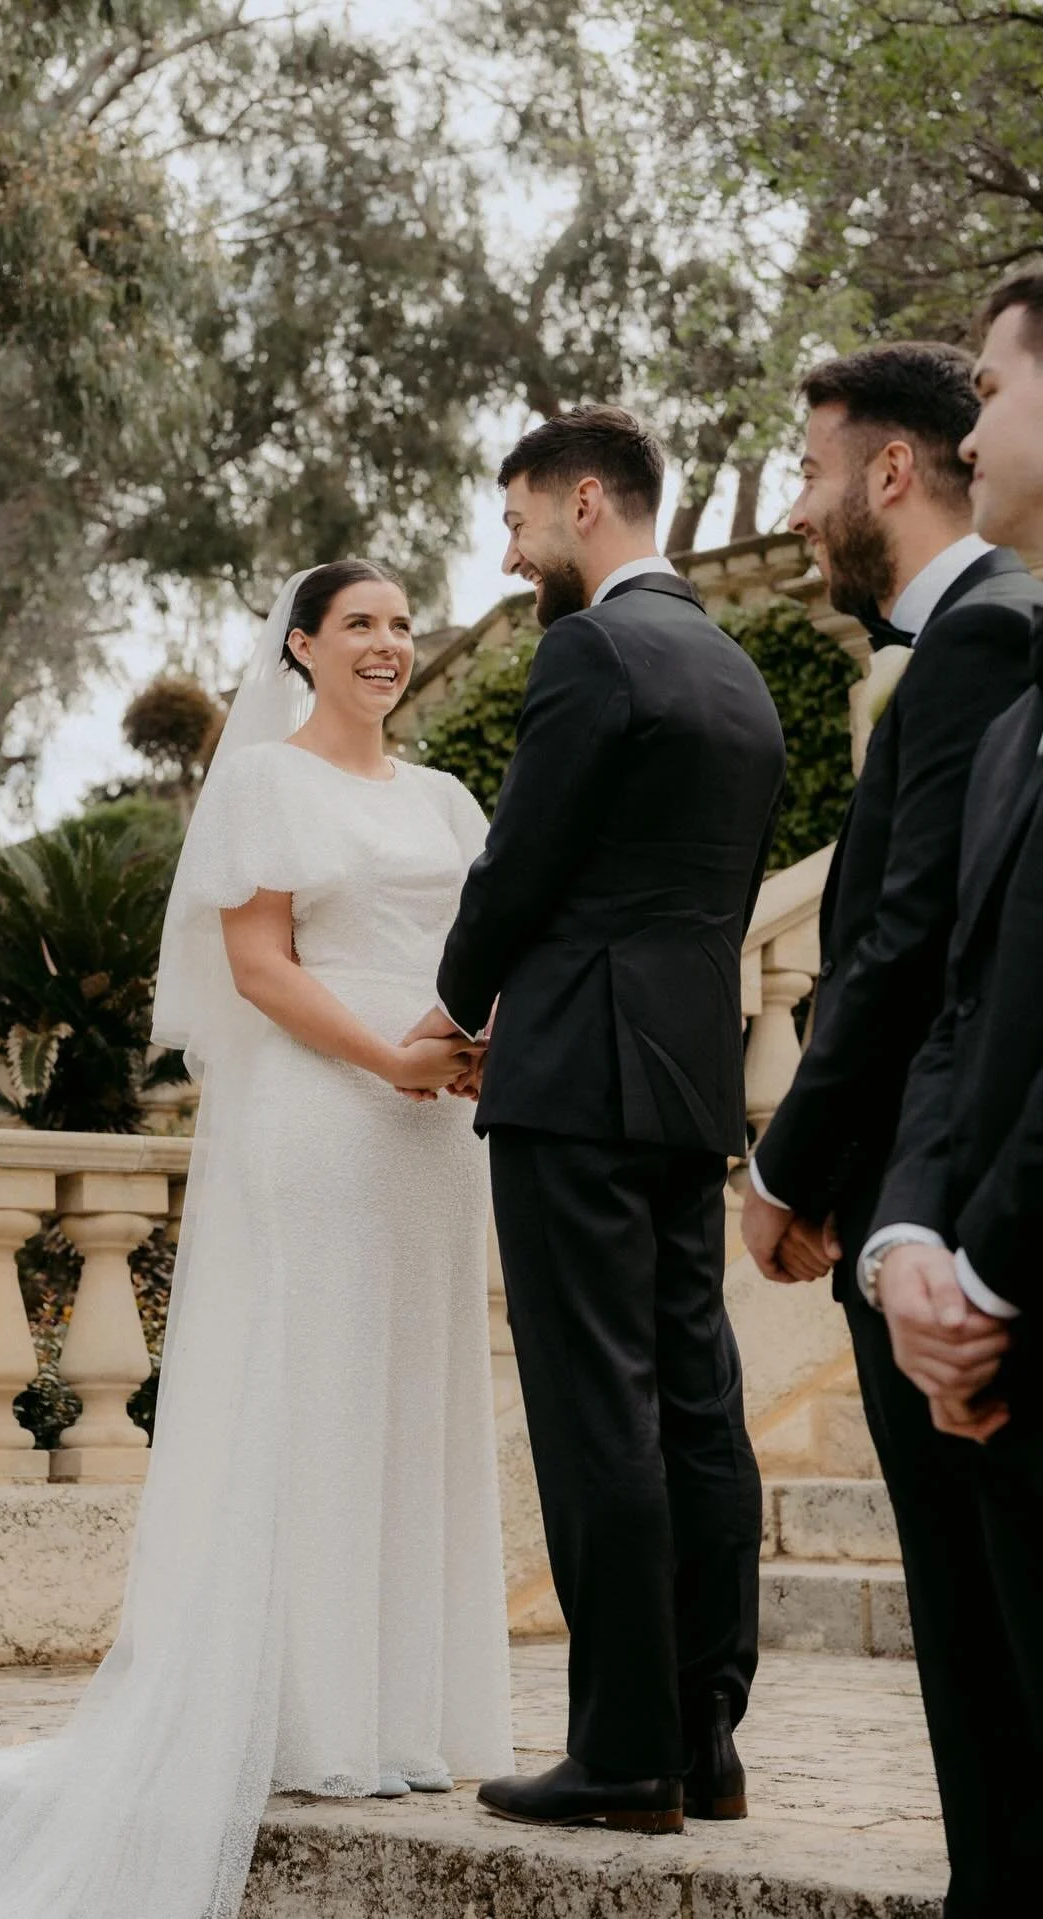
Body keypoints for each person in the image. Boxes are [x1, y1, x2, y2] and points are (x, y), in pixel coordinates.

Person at [0, 561, 514, 1919]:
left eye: (400, 624)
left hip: (434, 1140)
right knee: (316, 1397)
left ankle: (410, 1712)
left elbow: (483, 944)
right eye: (360, 626)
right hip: (324, 1117)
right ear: (304, 646)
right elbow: (262, 970)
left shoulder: (450, 799)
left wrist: (476, 1050)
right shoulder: (268, 786)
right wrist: (390, 1058)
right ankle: (313, 1715)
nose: (387, 645)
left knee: (413, 1394)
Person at [413, 407, 785, 1832]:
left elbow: (520, 865)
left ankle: (623, 1750)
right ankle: (706, 1734)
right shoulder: (734, 667)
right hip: (691, 1079)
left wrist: (455, 1005)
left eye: (516, 522)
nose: (510, 555)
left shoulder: (592, 649)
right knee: (696, 1400)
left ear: (585, 501)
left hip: (574, 1076)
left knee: (594, 1411)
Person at [738, 343, 1043, 1919]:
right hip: (926, 1199)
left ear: (890, 473)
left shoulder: (989, 639)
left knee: (989, 1639)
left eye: (806, 472)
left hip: (960, 1211)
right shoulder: (954, 644)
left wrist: (796, 1168)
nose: (795, 510)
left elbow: (914, 948)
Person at [864, 275, 1043, 1919]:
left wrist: (988, 1268)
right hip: (980, 1329)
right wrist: (909, 1233)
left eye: (994, 382)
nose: (972, 426)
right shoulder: (1013, 725)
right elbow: (957, 1010)